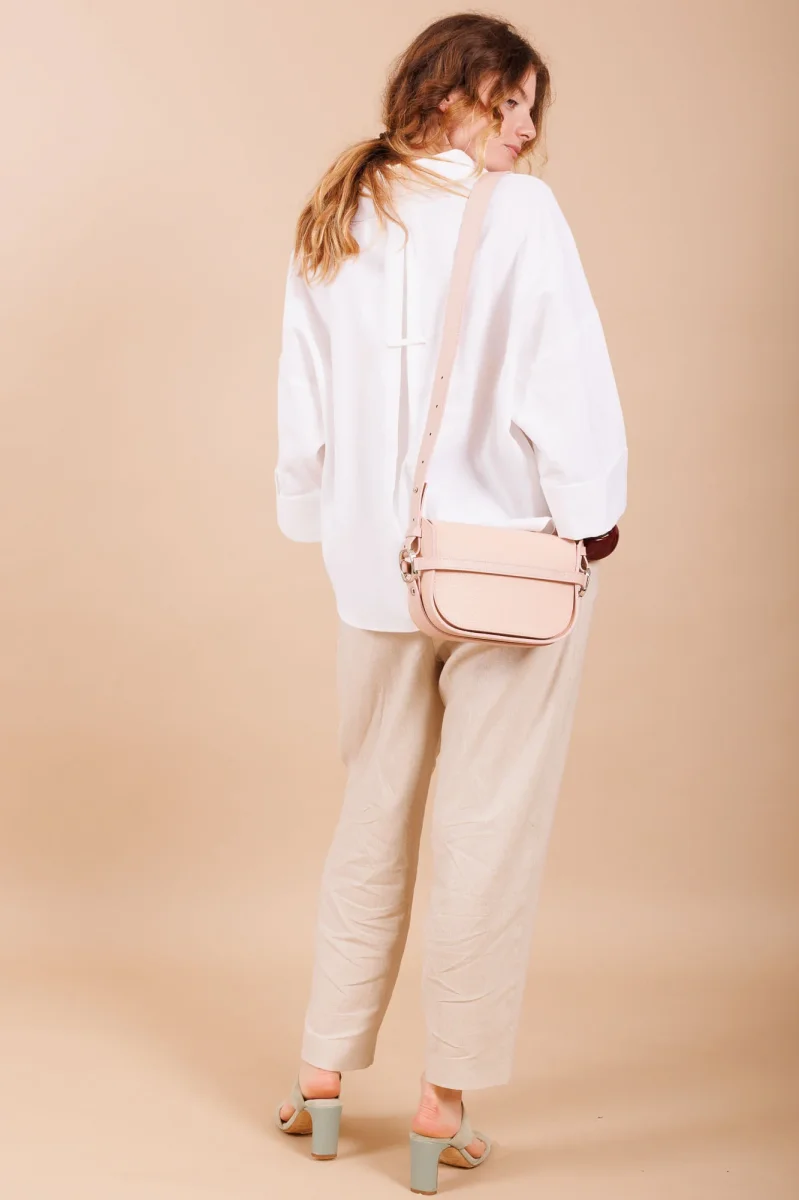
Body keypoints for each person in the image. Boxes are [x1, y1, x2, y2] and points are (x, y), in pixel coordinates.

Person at [272, 11, 628, 1191]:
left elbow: (302, 400)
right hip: (505, 569)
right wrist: (591, 512)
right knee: (486, 831)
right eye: (505, 101)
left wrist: (323, 518)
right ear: (445, 97)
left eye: (531, 108)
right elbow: (564, 378)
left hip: (375, 572)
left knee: (369, 816)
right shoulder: (519, 214)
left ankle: (323, 1077)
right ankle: (440, 1106)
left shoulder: (337, 211)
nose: (524, 128)